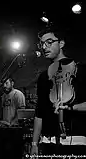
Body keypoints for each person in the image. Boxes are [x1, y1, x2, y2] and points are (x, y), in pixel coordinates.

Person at [31, 26, 86, 157]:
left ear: (61, 43)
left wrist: (71, 107)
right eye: (42, 44)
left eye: (49, 42)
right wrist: (34, 143)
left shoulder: (81, 70)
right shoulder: (44, 76)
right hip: (47, 142)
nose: (44, 47)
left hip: (76, 141)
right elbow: (40, 113)